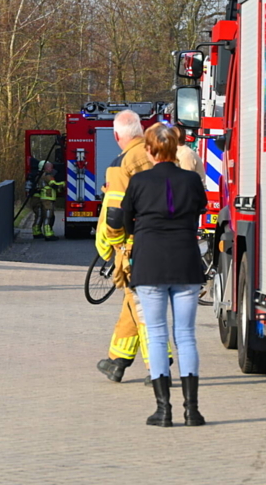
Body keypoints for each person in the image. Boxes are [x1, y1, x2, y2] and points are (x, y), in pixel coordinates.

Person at [122, 123, 208, 427]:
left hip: (150, 264)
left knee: (157, 335)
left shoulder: (139, 181)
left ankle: (164, 410)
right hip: (185, 261)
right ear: (175, 148)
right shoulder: (191, 180)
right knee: (186, 335)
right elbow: (201, 208)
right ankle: (192, 411)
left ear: (149, 149)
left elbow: (126, 219)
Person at [95, 110, 156, 383]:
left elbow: (115, 213)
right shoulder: (156, 154)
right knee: (132, 302)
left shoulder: (121, 163)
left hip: (132, 245)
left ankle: (158, 366)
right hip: (161, 239)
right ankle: (117, 360)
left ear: (117, 135)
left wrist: (116, 244)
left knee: (142, 305)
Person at [35, 162, 64, 241]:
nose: (52, 169)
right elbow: (54, 185)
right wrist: (64, 183)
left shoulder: (42, 175)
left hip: (47, 199)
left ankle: (48, 232)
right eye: (51, 167)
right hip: (47, 199)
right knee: (48, 216)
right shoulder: (47, 176)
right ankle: (48, 234)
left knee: (49, 216)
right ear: (47, 168)